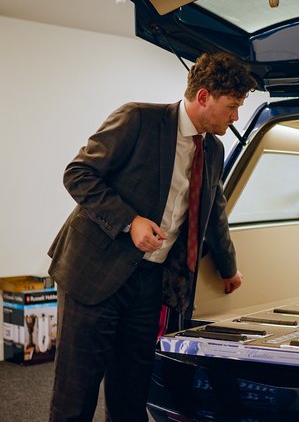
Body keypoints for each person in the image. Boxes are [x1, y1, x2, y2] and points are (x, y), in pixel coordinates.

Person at [47, 52, 257, 421]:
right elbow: (78, 174)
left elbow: (214, 212)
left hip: (149, 282)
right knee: (76, 395)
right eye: (232, 106)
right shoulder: (138, 119)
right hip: (94, 272)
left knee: (132, 391)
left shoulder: (214, 149)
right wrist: (131, 221)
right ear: (204, 97)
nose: (236, 116)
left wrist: (228, 268)